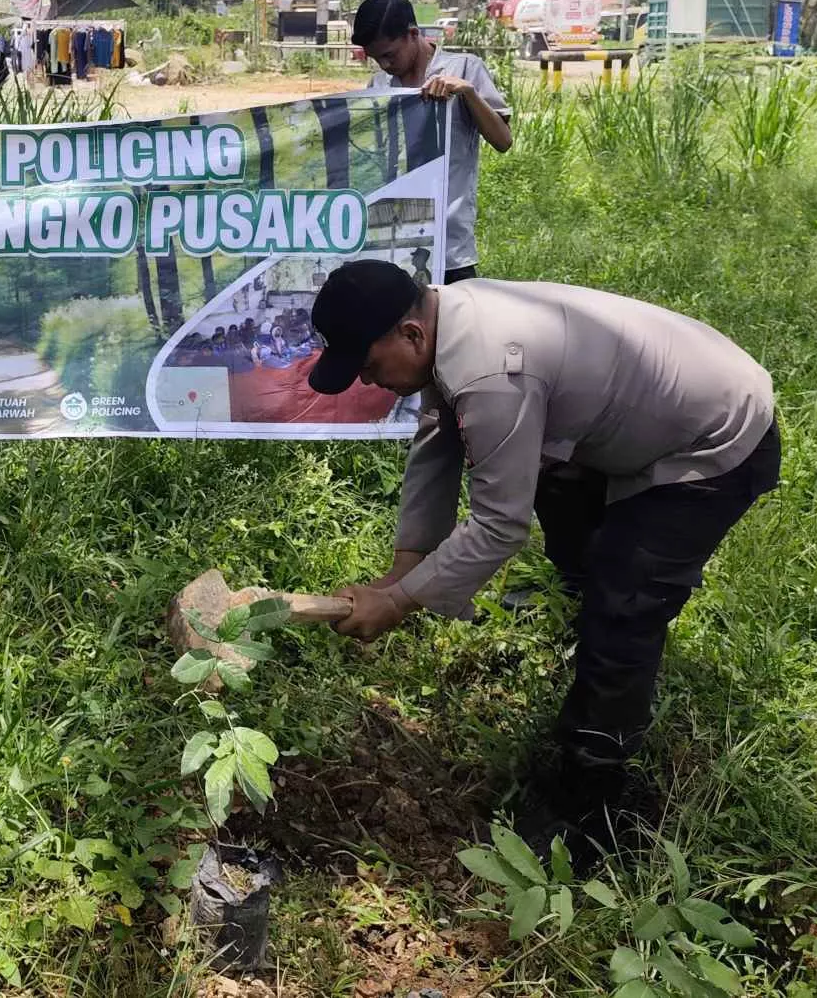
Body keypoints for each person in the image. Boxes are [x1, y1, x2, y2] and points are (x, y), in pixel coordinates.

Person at [306, 259, 779, 859]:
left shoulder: (491, 367)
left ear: (410, 335)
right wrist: (405, 567)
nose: (369, 382)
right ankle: (585, 601)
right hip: (656, 406)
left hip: (717, 436)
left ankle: (593, 803)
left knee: (624, 601)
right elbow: (439, 437)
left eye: (369, 367)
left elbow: (501, 524)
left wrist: (399, 602)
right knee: (556, 490)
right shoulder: (446, 314)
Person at [352, 0, 512, 284]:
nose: (385, 65)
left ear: (413, 33)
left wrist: (468, 92)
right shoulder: (380, 85)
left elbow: (503, 140)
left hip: (451, 245)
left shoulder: (464, 69)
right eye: (376, 59)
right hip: (393, 242)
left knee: (455, 325)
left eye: (389, 55)